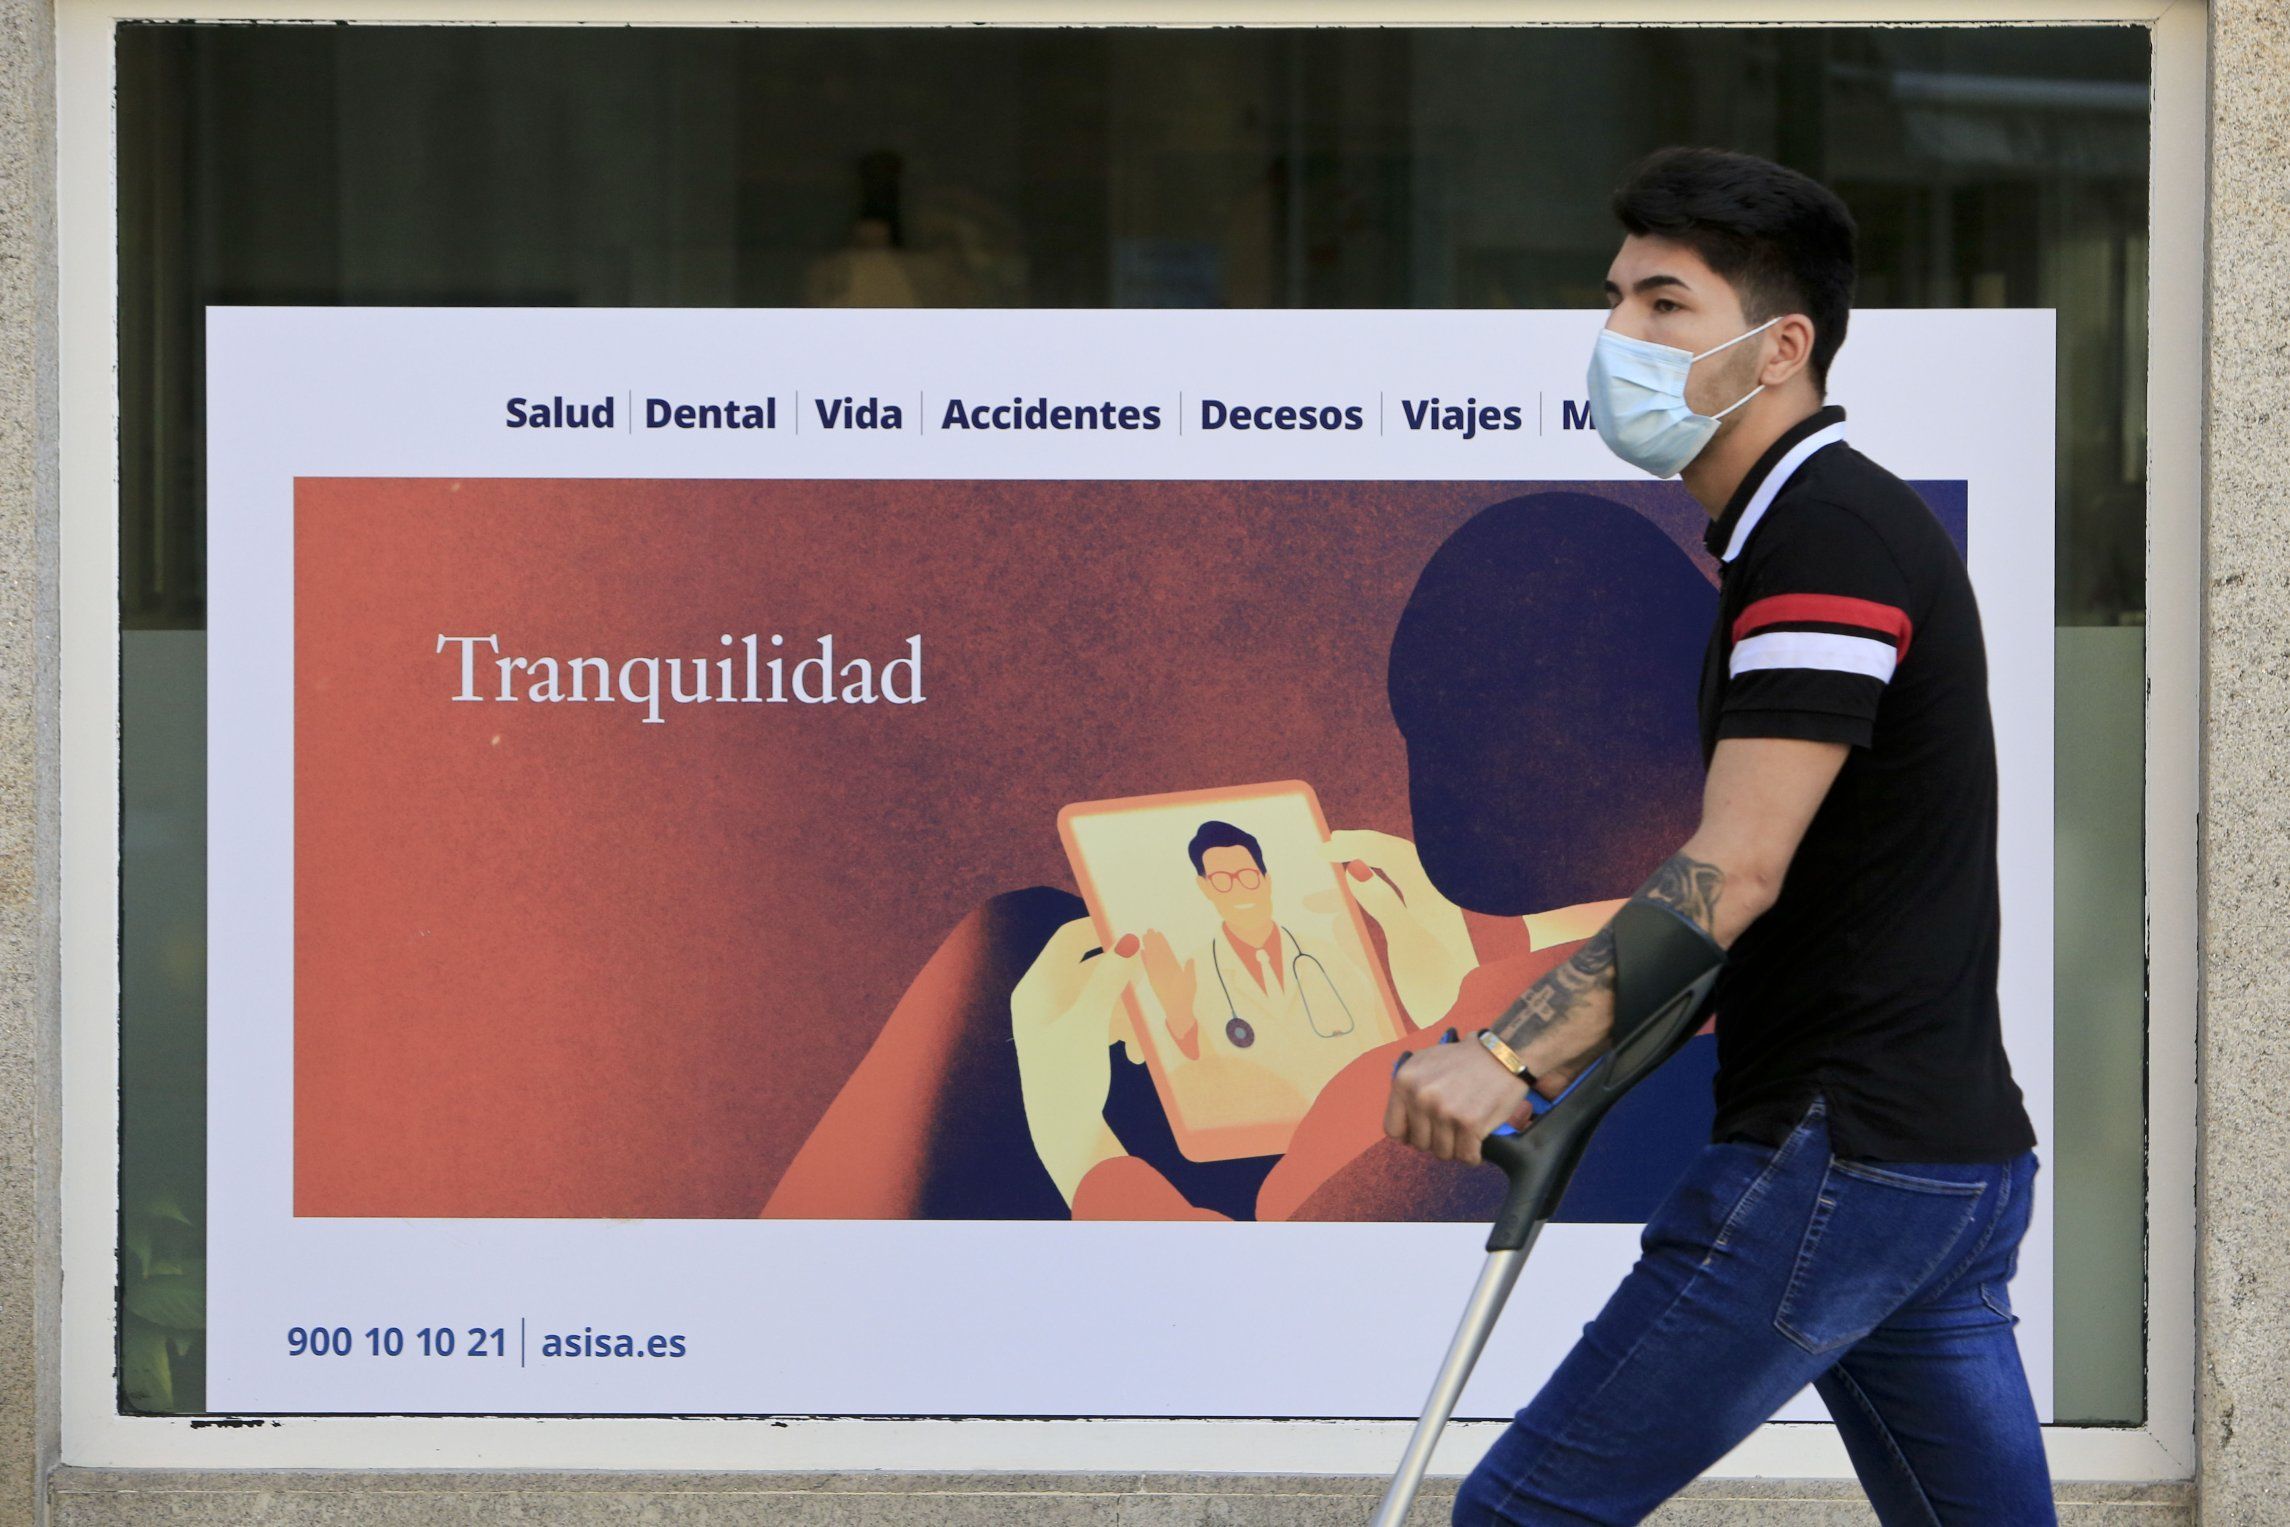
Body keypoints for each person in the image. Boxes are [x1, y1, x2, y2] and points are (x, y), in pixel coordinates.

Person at [1385, 146, 2049, 1525]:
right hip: (1933, 1165)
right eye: (1615, 298)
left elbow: (1733, 866)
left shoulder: (1826, 542)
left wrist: (1509, 1057)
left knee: (1519, 1517)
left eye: (1663, 305)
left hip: (1839, 1156)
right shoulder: (1799, 533)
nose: (1616, 335)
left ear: (1776, 346)